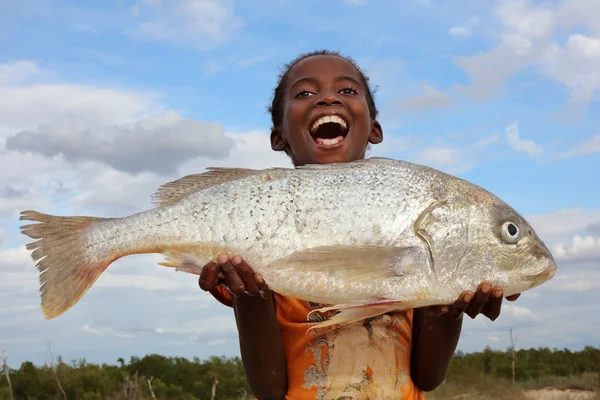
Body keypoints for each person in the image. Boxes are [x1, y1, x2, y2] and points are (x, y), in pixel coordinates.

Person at [197, 50, 520, 400]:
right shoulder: (264, 238)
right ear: (279, 137)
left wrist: (450, 306)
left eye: (348, 90)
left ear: (374, 129)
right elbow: (269, 391)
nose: (328, 97)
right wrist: (250, 296)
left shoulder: (402, 230)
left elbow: (427, 377)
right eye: (304, 93)